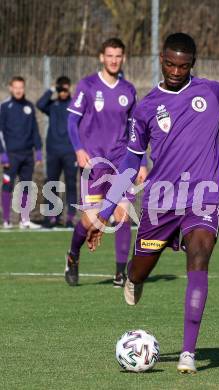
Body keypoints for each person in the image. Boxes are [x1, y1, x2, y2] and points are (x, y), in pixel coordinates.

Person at [86, 33, 219, 373]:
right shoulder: (146, 108)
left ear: (192, 64)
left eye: (183, 65)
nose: (176, 71)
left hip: (202, 198)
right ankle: (134, 279)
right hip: (160, 203)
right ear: (161, 60)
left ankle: (188, 353)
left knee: (200, 257)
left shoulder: (211, 92)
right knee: (141, 269)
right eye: (170, 64)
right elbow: (129, 164)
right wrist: (105, 212)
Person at [65, 37, 148, 287]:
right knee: (90, 221)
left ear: (123, 58)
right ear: (102, 57)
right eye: (109, 55)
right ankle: (73, 256)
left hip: (121, 161)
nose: (113, 60)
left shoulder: (128, 90)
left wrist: (141, 160)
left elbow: (136, 129)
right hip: (94, 163)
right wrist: (78, 149)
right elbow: (71, 122)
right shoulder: (87, 86)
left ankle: (120, 273)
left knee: (123, 215)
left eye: (118, 56)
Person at [0, 76, 42, 229]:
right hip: (10, 155)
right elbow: (0, 132)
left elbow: (35, 130)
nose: (18, 90)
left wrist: (38, 150)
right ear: (10, 88)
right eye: (15, 87)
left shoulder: (29, 106)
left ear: (24, 88)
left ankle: (25, 220)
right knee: (7, 185)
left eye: (21, 87)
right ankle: (6, 220)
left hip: (27, 154)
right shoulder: (4, 107)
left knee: (26, 186)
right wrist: (2, 153)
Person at [37, 76, 77, 228]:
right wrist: (52, 89)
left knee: (71, 184)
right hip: (53, 151)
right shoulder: (52, 105)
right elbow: (39, 104)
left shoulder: (75, 105)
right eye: (61, 88)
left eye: (66, 88)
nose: (63, 91)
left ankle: (70, 218)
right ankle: (52, 217)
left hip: (70, 151)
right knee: (52, 183)